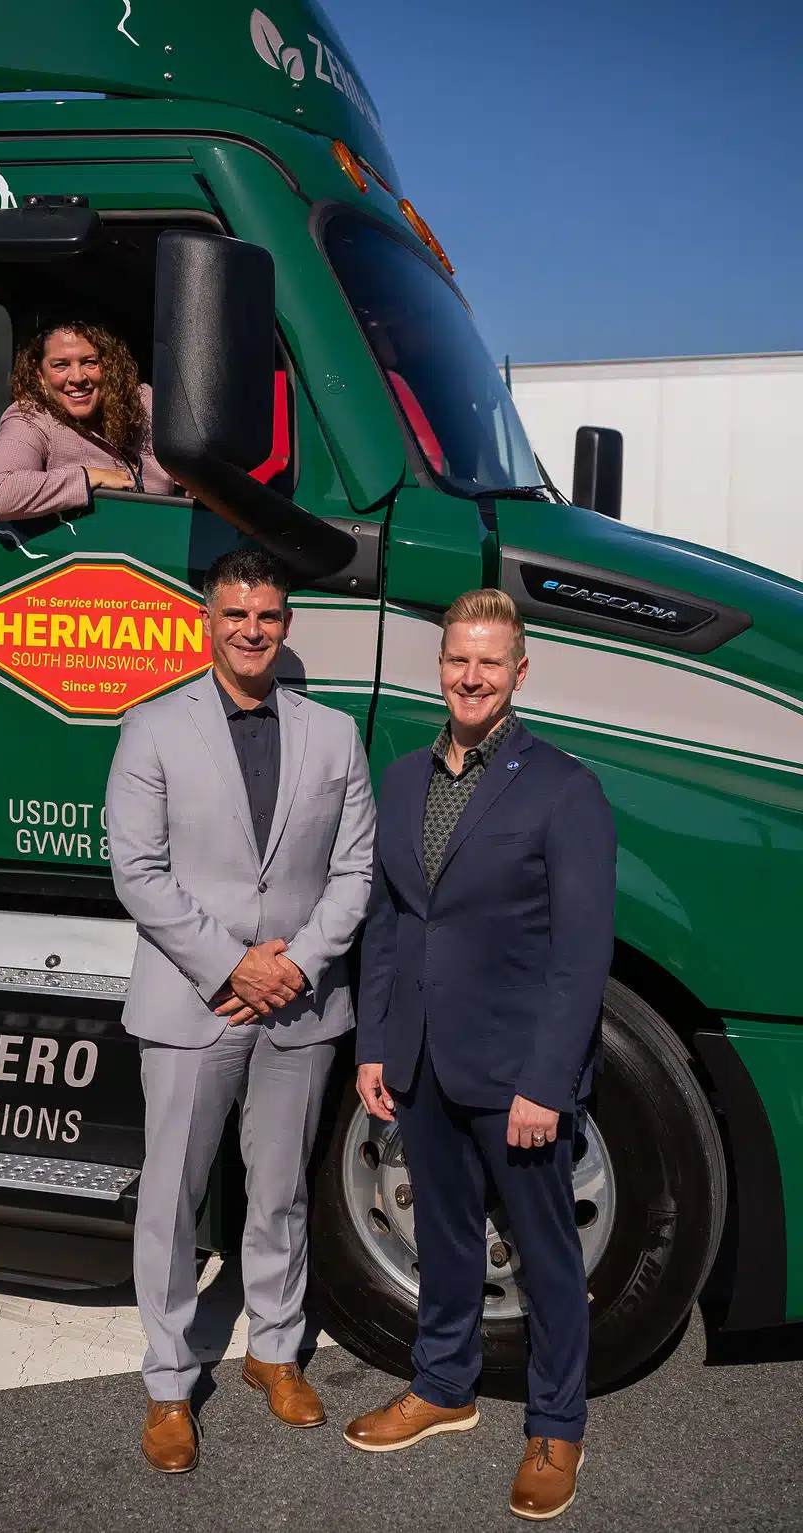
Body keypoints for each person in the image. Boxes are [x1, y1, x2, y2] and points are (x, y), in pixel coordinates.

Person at [344, 588, 616, 1523]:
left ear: (519, 673)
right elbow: (388, 922)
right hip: (418, 1055)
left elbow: (582, 955)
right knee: (446, 1237)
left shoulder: (563, 788)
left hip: (513, 1074)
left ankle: (556, 1424)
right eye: (460, 658)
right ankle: (443, 1384)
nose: (471, 676)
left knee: (545, 1254)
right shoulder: (406, 778)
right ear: (443, 664)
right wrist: (373, 1043)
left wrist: (547, 1080)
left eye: (490, 663)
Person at [107, 547, 376, 1474]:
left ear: (286, 624)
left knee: (282, 1191)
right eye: (235, 615)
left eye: (266, 615)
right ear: (207, 622)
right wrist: (231, 964)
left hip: (298, 1005)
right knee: (173, 1201)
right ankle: (171, 1384)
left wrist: (292, 967)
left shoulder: (335, 735)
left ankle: (273, 1351)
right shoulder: (151, 727)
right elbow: (137, 873)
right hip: (193, 1001)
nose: (251, 630)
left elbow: (353, 872)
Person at [0, 320, 175, 521]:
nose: (78, 377)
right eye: (60, 365)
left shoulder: (141, 401)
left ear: (110, 366)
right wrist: (88, 477)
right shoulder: (31, 417)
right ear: (40, 376)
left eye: (90, 362)